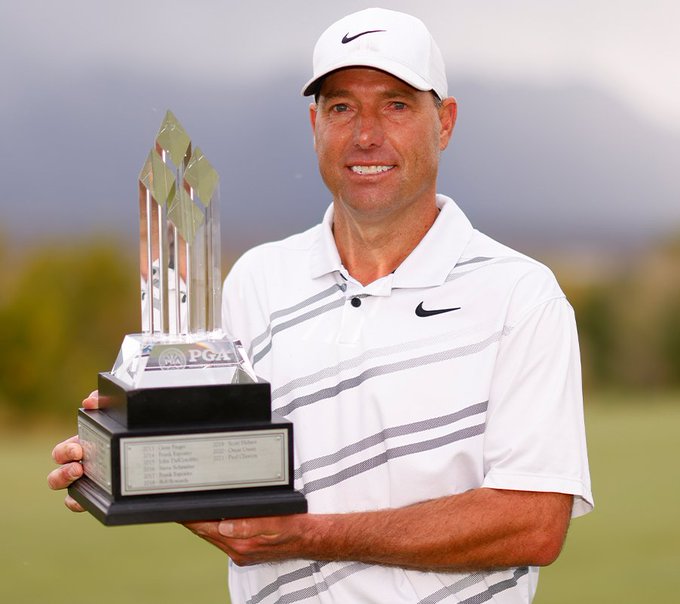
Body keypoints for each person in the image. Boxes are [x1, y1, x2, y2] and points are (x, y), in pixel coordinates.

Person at [48, 8, 593, 603]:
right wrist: (129, 453)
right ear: (315, 124)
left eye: (396, 105)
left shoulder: (521, 295)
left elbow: (533, 523)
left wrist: (308, 536)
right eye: (341, 108)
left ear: (445, 122)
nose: (366, 135)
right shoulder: (256, 281)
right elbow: (226, 479)